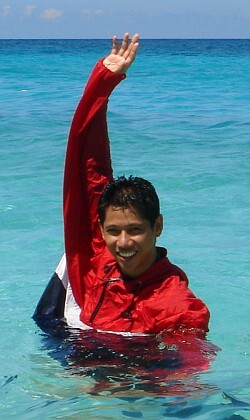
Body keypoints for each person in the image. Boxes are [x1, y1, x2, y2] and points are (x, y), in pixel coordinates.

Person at [34, 33, 210, 337]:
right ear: (101, 229)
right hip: (68, 348)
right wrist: (103, 80)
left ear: (157, 226)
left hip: (127, 375)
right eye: (113, 231)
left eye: (136, 230)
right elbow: (85, 161)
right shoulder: (96, 254)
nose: (124, 243)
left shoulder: (177, 307)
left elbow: (185, 374)